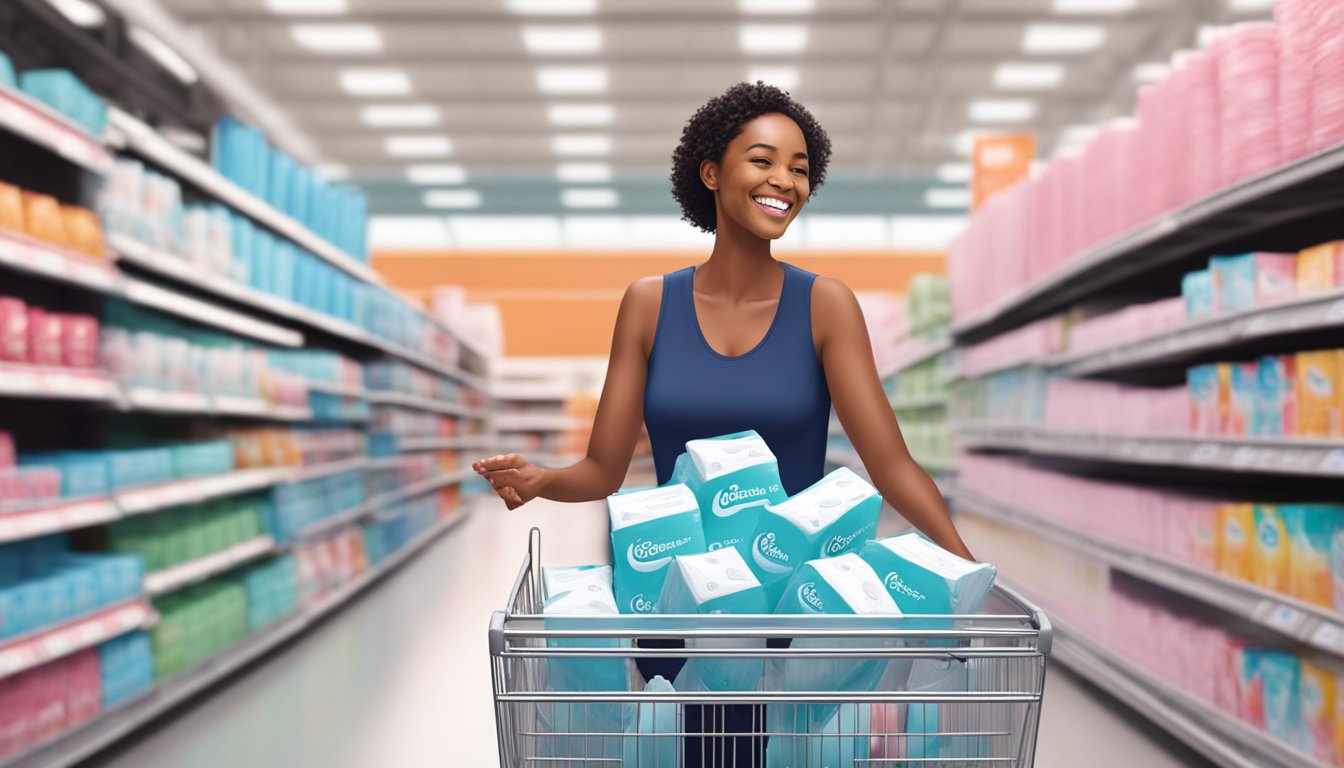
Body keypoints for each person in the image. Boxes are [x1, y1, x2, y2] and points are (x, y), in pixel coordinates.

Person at [473, 81, 974, 767]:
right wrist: (541, 480)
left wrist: (967, 572)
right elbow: (605, 470)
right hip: (677, 603)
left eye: (800, 168)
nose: (784, 182)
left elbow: (891, 467)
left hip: (797, 610)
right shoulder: (649, 305)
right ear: (710, 172)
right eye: (763, 160)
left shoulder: (825, 306)